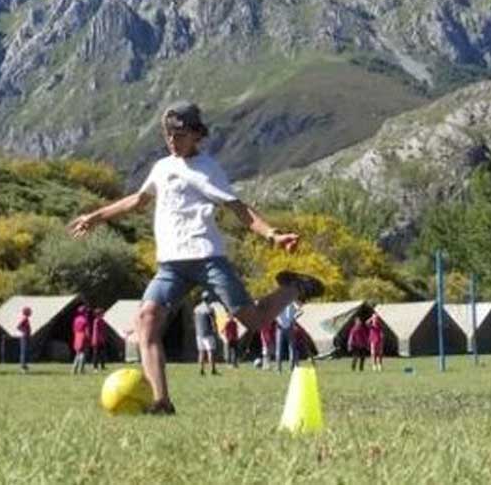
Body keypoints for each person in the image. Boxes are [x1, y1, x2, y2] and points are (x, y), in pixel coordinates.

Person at [68, 101, 323, 415]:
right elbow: (137, 200)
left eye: (179, 134)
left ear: (196, 135)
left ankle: (293, 288)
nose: (172, 140)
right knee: (146, 322)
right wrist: (96, 216)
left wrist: (272, 234)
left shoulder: (208, 169)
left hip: (207, 258)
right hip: (170, 265)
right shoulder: (161, 168)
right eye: (167, 134)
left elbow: (238, 208)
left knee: (254, 321)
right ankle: (161, 401)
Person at [194, 292, 219, 376]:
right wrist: (215, 330)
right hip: (208, 333)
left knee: (201, 352)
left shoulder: (196, 308)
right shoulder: (210, 309)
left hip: (199, 333)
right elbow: (213, 321)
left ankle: (201, 369)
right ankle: (213, 369)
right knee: (210, 351)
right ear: (208, 298)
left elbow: (195, 320)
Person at [276, 301, 302, 373]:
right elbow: (300, 310)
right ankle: (291, 369)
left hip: (281, 327)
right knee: (291, 348)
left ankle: (279, 369)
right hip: (288, 326)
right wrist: (294, 317)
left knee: (280, 349)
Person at [71, 305, 90, 375]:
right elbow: (87, 330)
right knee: (83, 354)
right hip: (83, 336)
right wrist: (88, 338)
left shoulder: (76, 319)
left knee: (77, 353)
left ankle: (74, 369)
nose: (87, 313)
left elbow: (73, 329)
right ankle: (81, 370)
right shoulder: (85, 320)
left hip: (77, 335)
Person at [15, 306, 32, 373]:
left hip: (26, 337)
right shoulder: (24, 319)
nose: (31, 312)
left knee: (26, 351)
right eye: (29, 311)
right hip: (24, 337)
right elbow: (18, 326)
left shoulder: (26, 319)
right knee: (24, 351)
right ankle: (23, 367)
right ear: (27, 312)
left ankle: (25, 365)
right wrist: (24, 331)